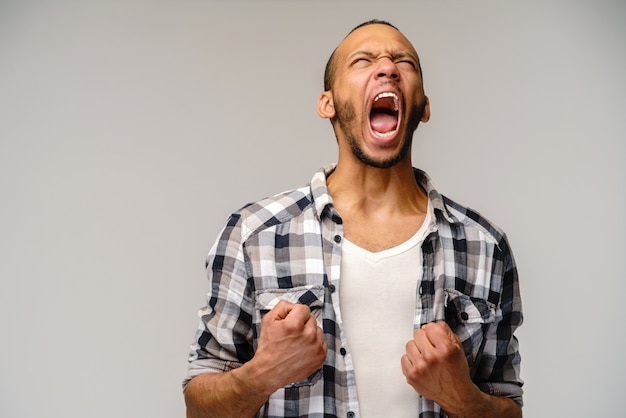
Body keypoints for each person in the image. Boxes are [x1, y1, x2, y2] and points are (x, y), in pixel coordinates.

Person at [183, 19, 523, 418]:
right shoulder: (254, 234)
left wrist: (463, 396)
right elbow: (198, 408)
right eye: (363, 60)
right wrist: (261, 374)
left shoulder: (484, 246)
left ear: (424, 107)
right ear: (327, 102)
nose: (388, 68)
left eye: (404, 62)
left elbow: (509, 407)